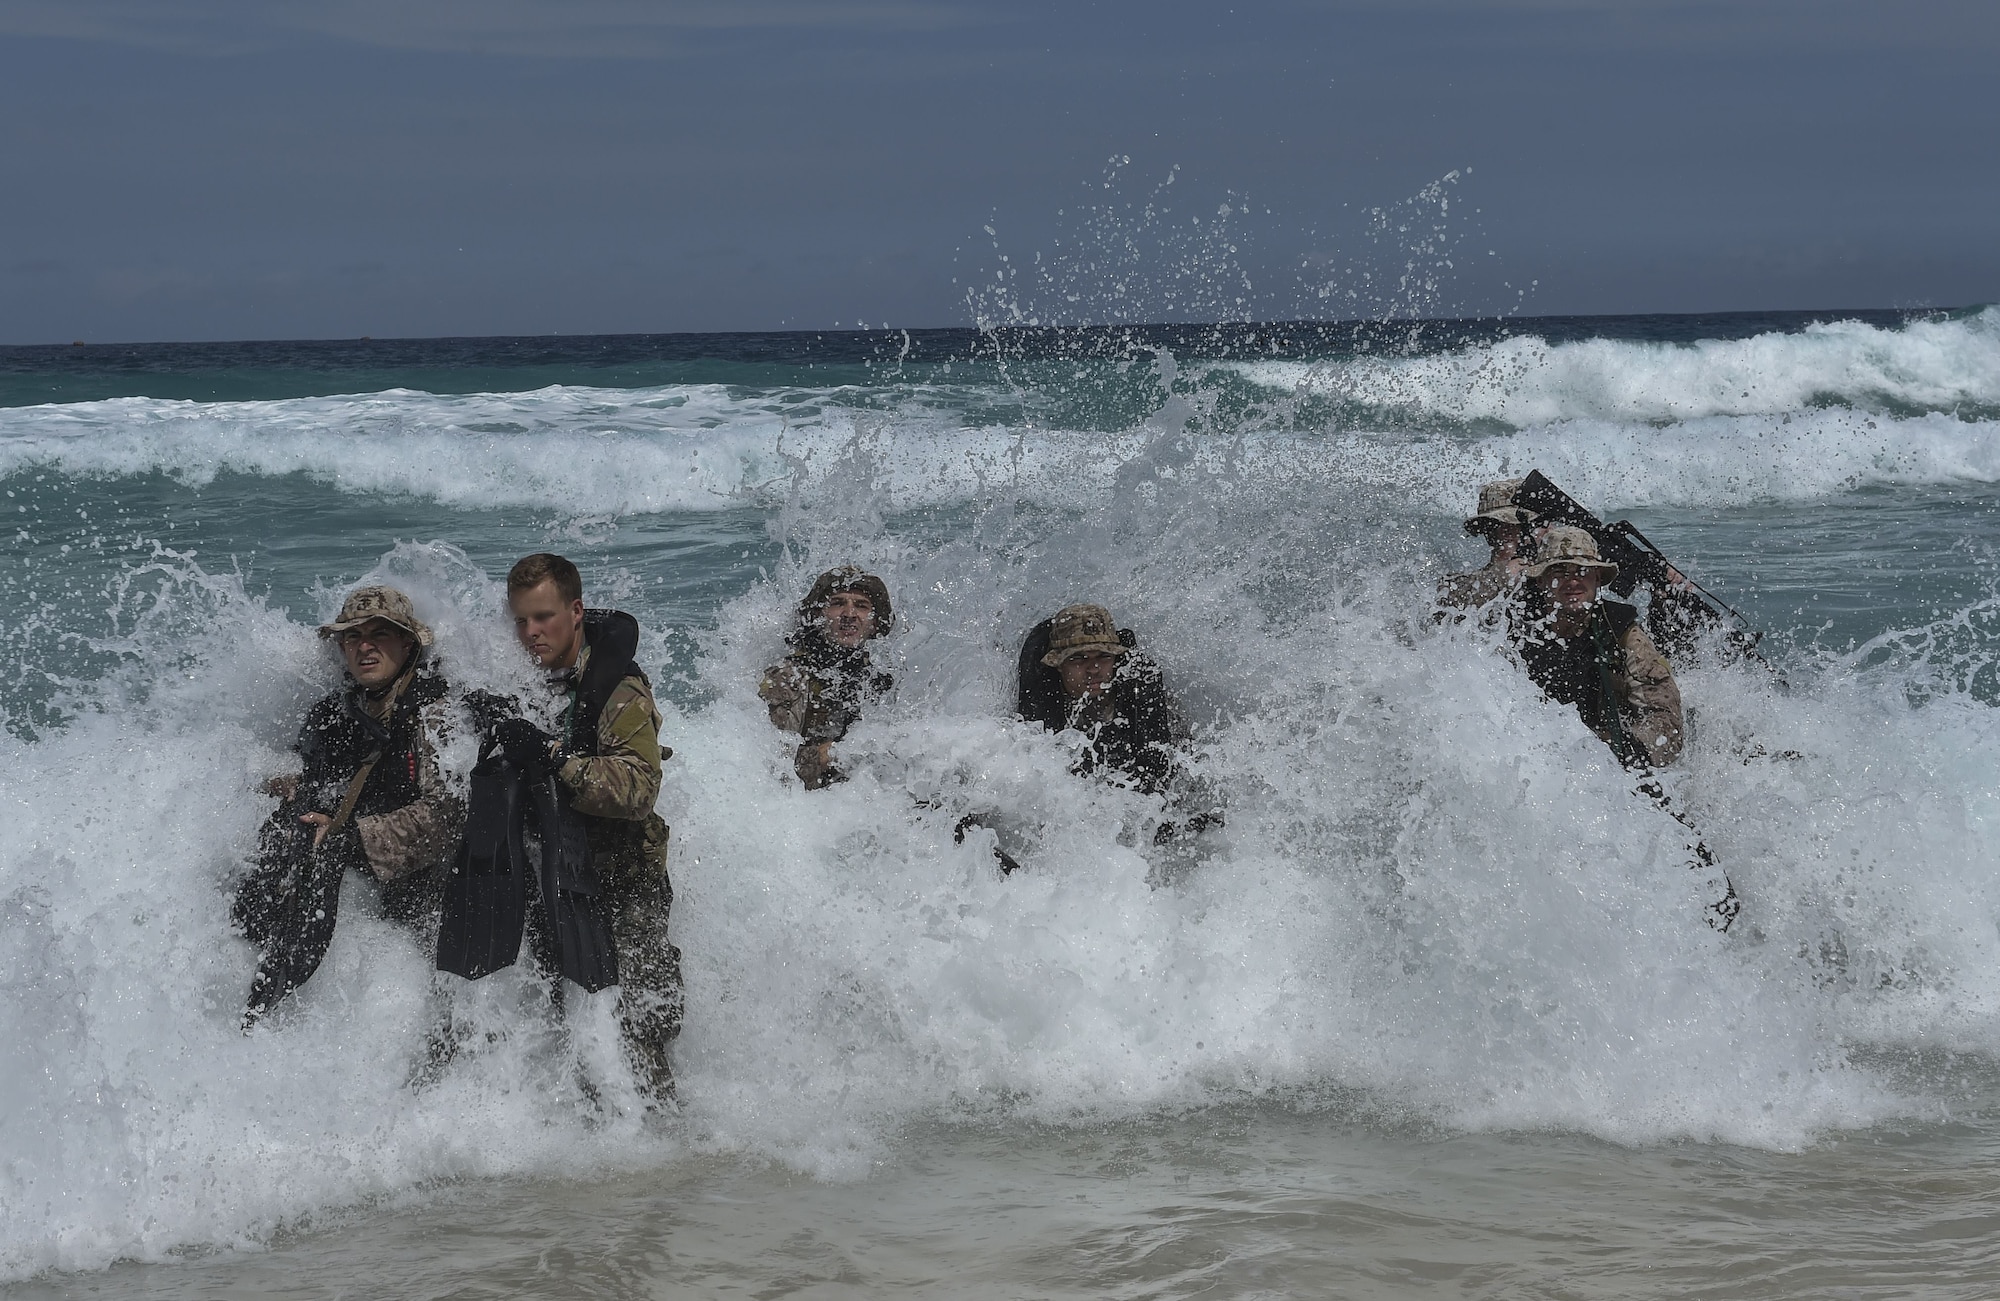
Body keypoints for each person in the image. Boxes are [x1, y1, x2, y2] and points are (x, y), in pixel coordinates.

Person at [475, 553, 683, 1100]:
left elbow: (639, 790)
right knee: (563, 1030)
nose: (530, 632)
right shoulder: (520, 677)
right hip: (555, 877)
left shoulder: (619, 688)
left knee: (639, 1032)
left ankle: (668, 1161)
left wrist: (552, 757)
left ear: (576, 611)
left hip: (623, 879)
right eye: (519, 620)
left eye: (543, 617)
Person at [233, 585, 462, 1023]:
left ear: (408, 643)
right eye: (352, 638)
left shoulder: (435, 714)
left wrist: (352, 837)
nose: (365, 647)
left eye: (380, 634)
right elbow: (309, 773)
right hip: (358, 885)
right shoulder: (333, 713)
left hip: (420, 899)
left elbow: (448, 814)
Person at [1510, 526, 1684, 767]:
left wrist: (1631, 753)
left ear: (1598, 578)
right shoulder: (1515, 633)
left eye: (1582, 571)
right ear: (1541, 580)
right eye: (1560, 571)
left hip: (1613, 761)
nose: (1572, 581)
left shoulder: (1623, 635)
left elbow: (1663, 718)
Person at [1018, 603, 1194, 800]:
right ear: (1058, 663)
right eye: (1078, 658)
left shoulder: (1138, 689)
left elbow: (1160, 772)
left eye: (1104, 656)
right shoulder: (1040, 699)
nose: (1093, 668)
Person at [757, 565, 894, 789]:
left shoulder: (885, 676)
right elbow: (773, 765)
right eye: (838, 603)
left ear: (875, 623)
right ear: (817, 615)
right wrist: (829, 755)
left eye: (861, 606)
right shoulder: (788, 679)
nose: (849, 614)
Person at [1438, 477, 1537, 612]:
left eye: (1514, 522)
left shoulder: (1545, 576)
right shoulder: (1458, 585)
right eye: (1496, 523)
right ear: (1486, 528)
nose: (1506, 528)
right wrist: (1505, 574)